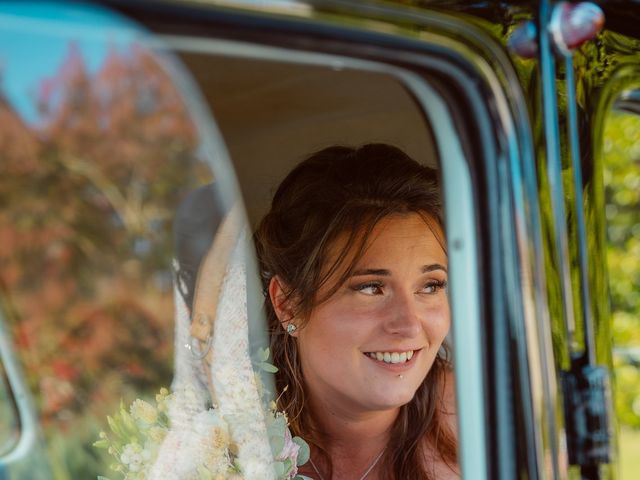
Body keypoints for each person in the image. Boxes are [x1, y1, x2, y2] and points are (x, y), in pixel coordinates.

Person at [254, 144, 459, 480]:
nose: (409, 325)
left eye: (431, 286)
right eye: (371, 287)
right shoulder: (220, 440)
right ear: (287, 304)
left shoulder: (489, 426)